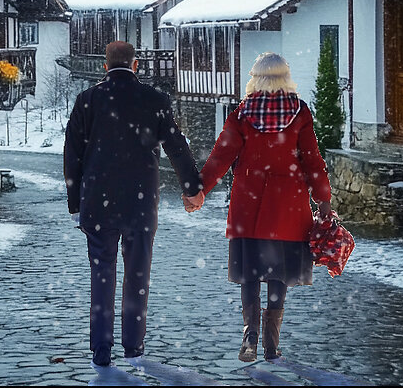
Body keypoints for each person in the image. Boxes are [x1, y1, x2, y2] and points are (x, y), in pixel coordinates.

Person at [63, 40, 204, 369]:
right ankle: (133, 346)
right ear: (136, 65)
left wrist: (76, 203)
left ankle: (101, 349)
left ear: (104, 66)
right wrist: (192, 187)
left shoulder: (87, 101)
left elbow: (72, 155)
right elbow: (176, 145)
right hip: (140, 205)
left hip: (97, 205)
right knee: (137, 276)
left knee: (102, 276)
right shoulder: (154, 100)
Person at [195, 52, 333, 362]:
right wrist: (323, 200)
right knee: (277, 274)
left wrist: (199, 189)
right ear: (285, 77)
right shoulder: (299, 112)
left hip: (249, 205)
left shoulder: (242, 114)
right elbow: (312, 160)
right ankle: (271, 342)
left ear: (255, 78)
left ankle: (250, 336)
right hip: (287, 207)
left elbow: (221, 156)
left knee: (250, 273)